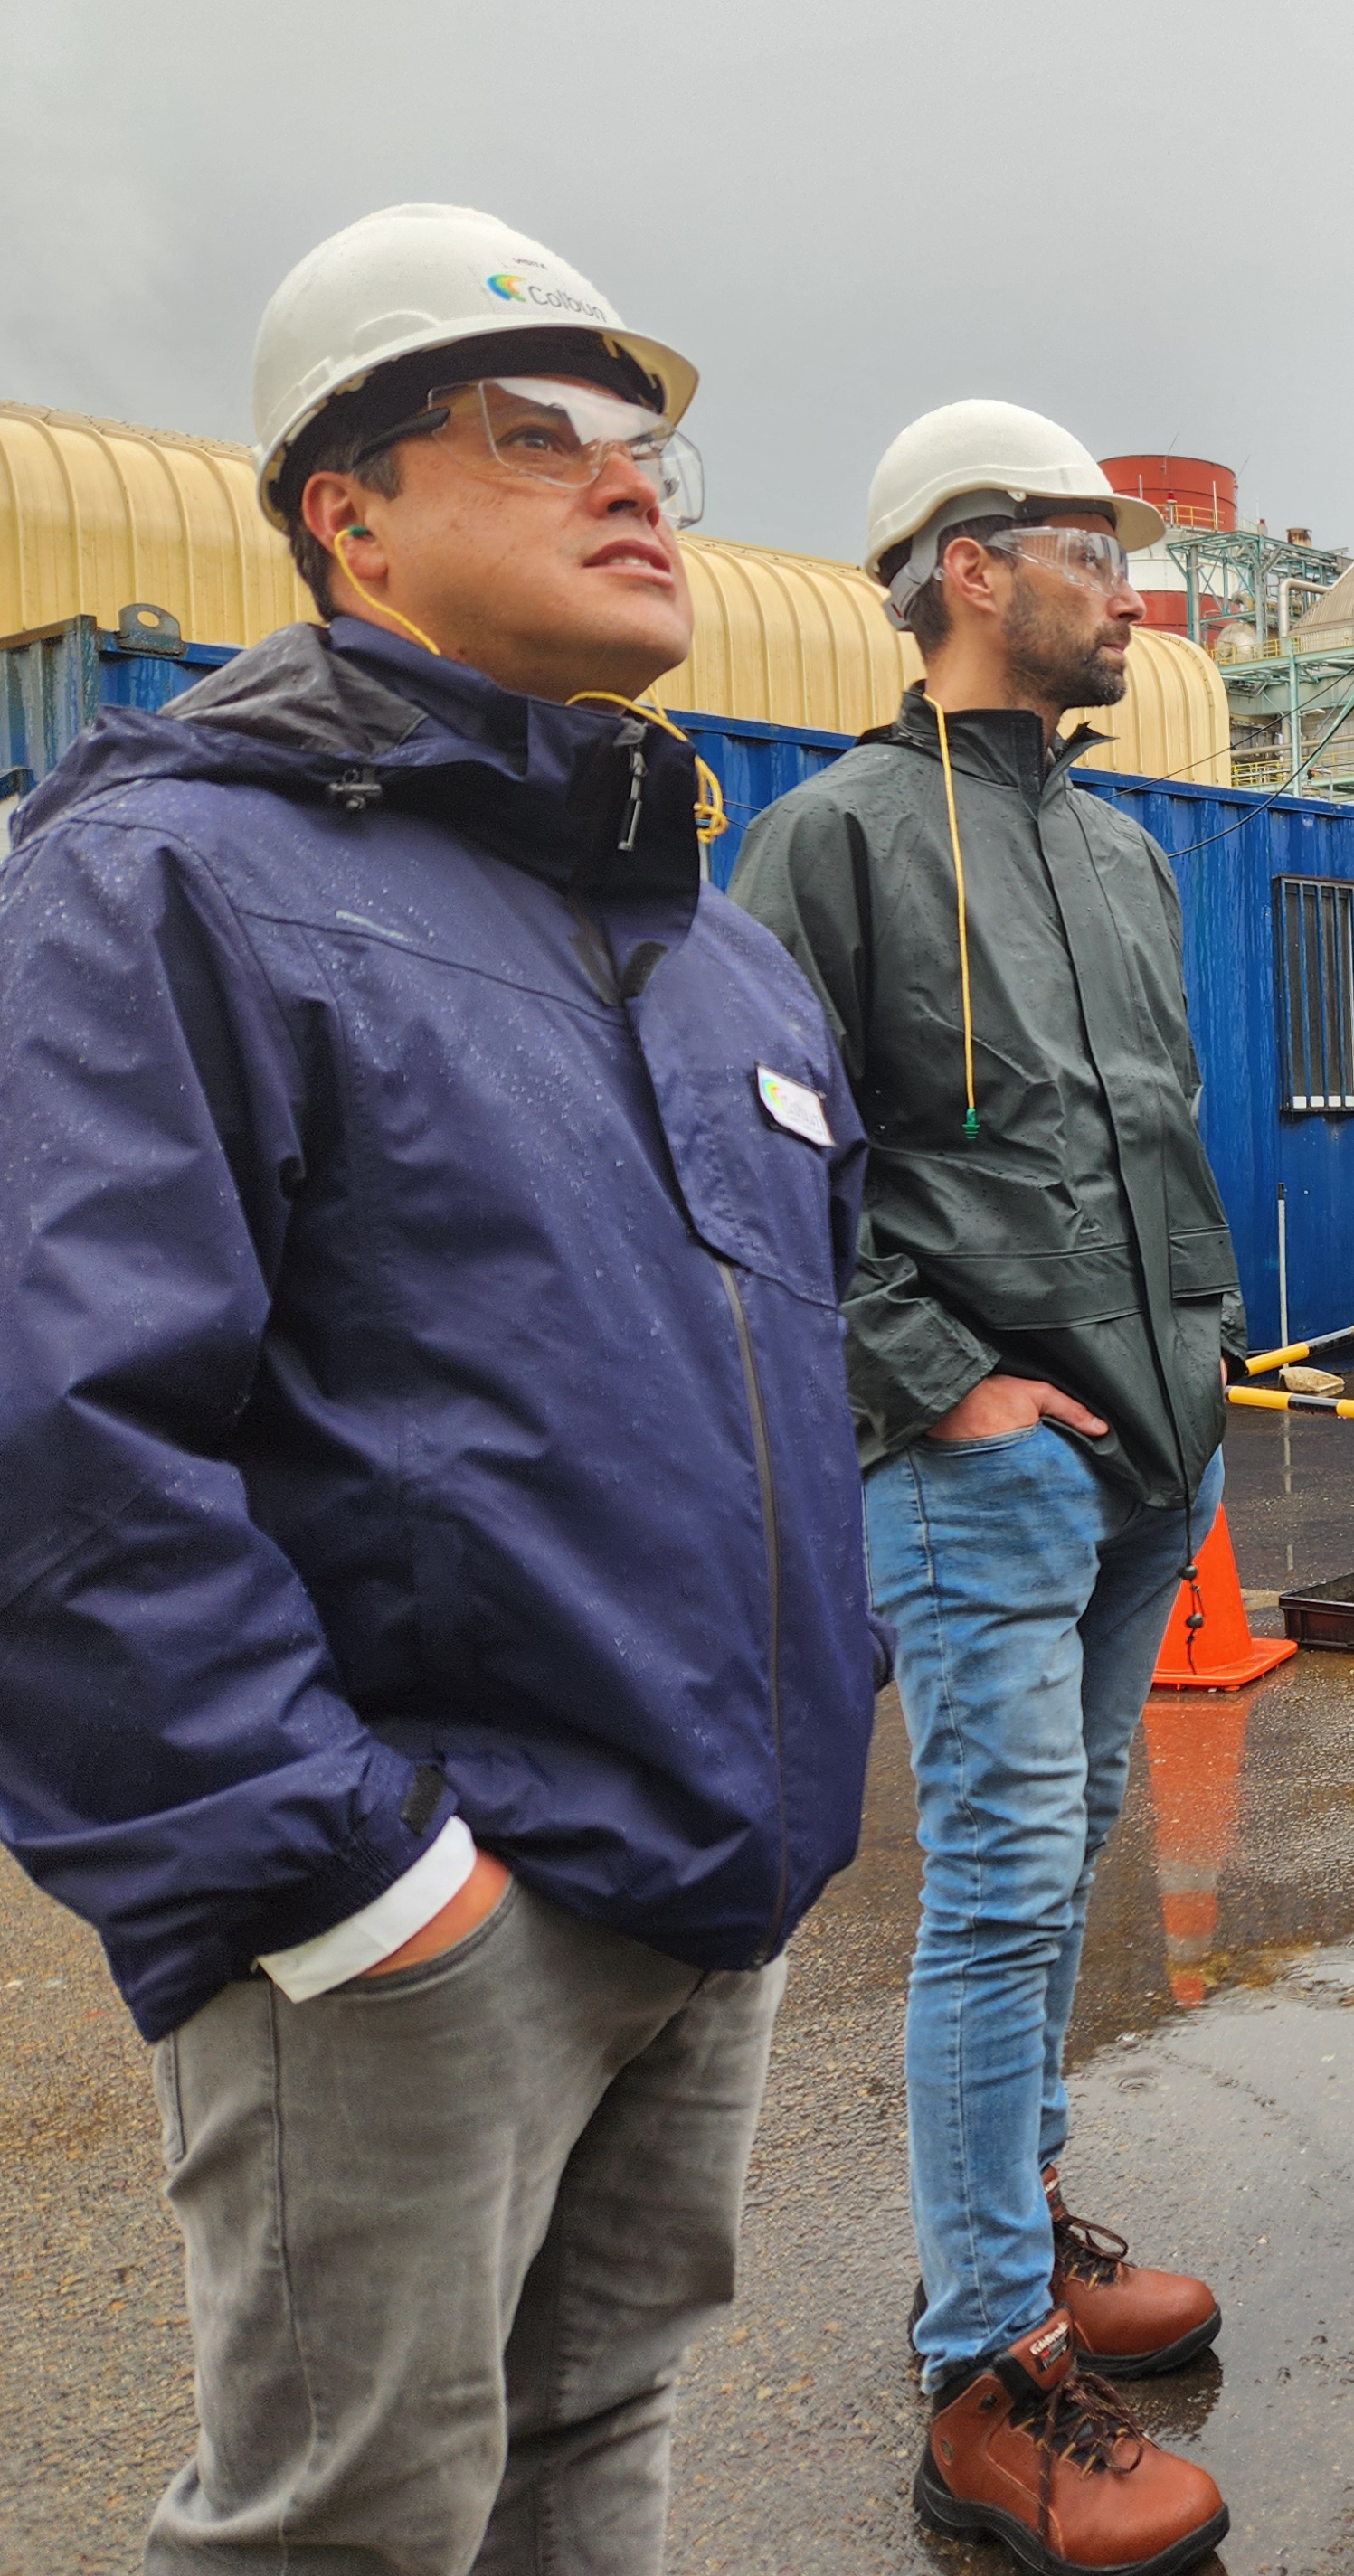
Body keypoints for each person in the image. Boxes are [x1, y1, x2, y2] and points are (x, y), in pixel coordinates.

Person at [0, 203, 881, 2573]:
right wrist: (353, 1882)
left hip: (711, 1876)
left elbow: (782, 1372)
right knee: (347, 2528)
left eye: (647, 440)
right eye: (537, 427)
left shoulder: (718, 965)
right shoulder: (169, 880)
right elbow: (57, 1446)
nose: (631, 479)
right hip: (415, 1922)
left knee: (595, 2440)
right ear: (343, 510)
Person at [726, 401, 1236, 2575]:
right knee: (1006, 1882)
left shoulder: (1121, 851)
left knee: (1078, 1841)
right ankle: (983, 2365)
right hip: (980, 1462)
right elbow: (752, 1169)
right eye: (1087, 549)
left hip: (1148, 1444)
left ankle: (1015, 2209)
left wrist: (1190, 1387)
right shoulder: (832, 841)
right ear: (963, 567)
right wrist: (940, 1385)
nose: (1125, 587)